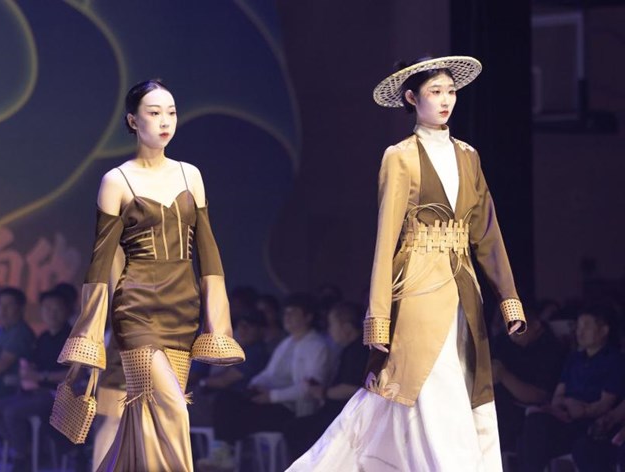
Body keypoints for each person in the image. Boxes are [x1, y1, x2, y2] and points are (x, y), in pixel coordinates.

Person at [287, 56, 526, 471]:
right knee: (431, 387)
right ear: (412, 98)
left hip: (464, 290)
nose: (446, 100)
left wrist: (509, 299)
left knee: (463, 386)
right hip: (417, 286)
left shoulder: (469, 156)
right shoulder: (400, 156)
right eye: (435, 92)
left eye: (451, 91)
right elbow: (386, 240)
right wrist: (379, 316)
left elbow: (486, 230)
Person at [54, 79, 243, 472]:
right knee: (174, 409)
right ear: (132, 120)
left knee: (146, 420)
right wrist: (90, 334)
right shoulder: (117, 180)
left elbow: (208, 252)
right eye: (154, 113)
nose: (165, 121)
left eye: (171, 112)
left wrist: (217, 321)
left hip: (182, 310)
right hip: (136, 312)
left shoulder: (190, 175)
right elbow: (100, 264)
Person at [198, 293, 331, 471]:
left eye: (293, 313)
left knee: (234, 413)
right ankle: (223, 453)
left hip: (296, 410)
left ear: (308, 317)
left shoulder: (317, 346)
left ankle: (227, 454)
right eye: (286, 312)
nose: (287, 317)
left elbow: (310, 387)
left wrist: (272, 396)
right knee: (227, 398)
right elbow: (270, 374)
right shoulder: (287, 343)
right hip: (275, 403)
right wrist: (256, 384)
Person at [516, 305, 623, 472]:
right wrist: (564, 406)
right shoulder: (574, 358)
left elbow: (605, 404)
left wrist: (583, 410)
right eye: (578, 326)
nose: (580, 332)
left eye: (586, 326)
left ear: (603, 330)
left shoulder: (615, 360)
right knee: (533, 427)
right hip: (566, 417)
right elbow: (558, 395)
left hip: (591, 423)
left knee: (582, 446)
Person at [0, 287, 72, 472]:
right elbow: (32, 367)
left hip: (58, 395)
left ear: (67, 310)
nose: (51, 313)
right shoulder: (43, 338)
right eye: (46, 308)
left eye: (56, 308)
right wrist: (29, 372)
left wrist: (41, 376)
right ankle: (25, 449)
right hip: (32, 391)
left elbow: (74, 374)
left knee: (12, 412)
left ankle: (22, 457)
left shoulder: (74, 338)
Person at [285, 301, 369, 459]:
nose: (329, 330)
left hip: (345, 418)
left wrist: (323, 392)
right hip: (339, 414)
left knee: (296, 429)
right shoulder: (351, 349)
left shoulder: (357, 351)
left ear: (346, 327)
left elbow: (351, 388)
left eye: (332, 325)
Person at [491, 304, 566, 453]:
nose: (511, 332)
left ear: (536, 324)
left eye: (517, 326)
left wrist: (503, 375)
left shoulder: (551, 349)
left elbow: (538, 396)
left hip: (530, 414)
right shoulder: (504, 342)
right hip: (500, 405)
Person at [0, 287, 35, 403]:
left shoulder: (20, 332)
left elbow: (2, 364)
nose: (3, 310)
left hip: (5, 388)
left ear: (21, 308)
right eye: (0, 305)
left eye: (9, 305)